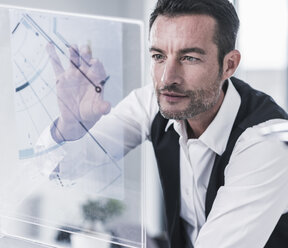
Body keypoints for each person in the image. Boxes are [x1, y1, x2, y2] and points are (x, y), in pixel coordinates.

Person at [40, 0, 288, 247]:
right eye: (159, 56)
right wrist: (68, 128)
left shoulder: (266, 143)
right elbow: (58, 170)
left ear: (229, 65)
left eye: (189, 58)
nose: (167, 78)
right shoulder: (154, 102)